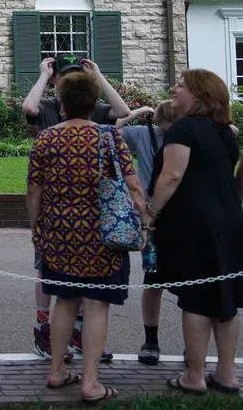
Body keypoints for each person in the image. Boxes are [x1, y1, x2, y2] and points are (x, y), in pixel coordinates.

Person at [26, 71, 147, 404]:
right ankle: (90, 381)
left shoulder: (46, 139)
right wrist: (145, 219)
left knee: (65, 301)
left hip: (59, 235)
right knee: (97, 304)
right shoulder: (109, 138)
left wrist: (37, 229)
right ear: (94, 103)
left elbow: (34, 190)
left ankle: (56, 370)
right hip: (102, 237)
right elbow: (132, 184)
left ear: (62, 105)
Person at [21, 53, 130, 361]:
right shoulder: (48, 109)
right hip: (55, 207)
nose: (69, 80)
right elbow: (28, 107)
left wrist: (98, 77)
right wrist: (44, 75)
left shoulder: (90, 109)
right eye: (63, 76)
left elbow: (123, 110)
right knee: (47, 272)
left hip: (89, 208)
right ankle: (44, 328)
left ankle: (78, 335)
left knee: (82, 276)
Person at [147, 69, 243, 395]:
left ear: (199, 94)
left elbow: (172, 176)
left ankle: (195, 376)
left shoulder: (184, 129)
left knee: (197, 299)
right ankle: (227, 374)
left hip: (195, 224)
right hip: (229, 220)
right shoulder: (226, 133)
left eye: (181, 85)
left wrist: (151, 214)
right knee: (225, 298)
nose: (174, 89)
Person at [117, 99, 177, 366]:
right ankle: (150, 339)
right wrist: (135, 114)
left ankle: (155, 342)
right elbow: (111, 129)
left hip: (174, 216)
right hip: (152, 216)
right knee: (153, 279)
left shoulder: (188, 136)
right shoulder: (145, 134)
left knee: (171, 281)